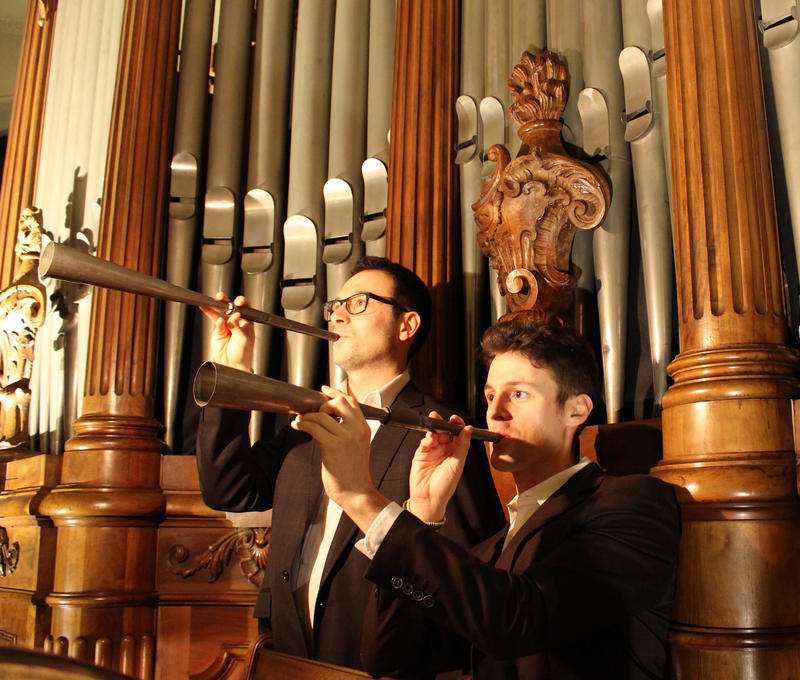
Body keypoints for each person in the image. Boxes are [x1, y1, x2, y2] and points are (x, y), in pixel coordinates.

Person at [292, 316, 681, 679]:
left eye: (519, 394)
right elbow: (390, 658)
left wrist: (362, 498)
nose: (495, 412)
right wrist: (423, 513)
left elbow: (519, 620)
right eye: (491, 395)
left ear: (576, 410)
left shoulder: (634, 503)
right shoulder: (490, 550)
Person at [195, 256, 505, 670]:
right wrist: (232, 372)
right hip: (285, 659)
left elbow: (461, 581)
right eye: (334, 306)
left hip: (380, 666)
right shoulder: (307, 420)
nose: (337, 315)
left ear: (407, 325)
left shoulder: (441, 431)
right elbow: (229, 490)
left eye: (358, 303)